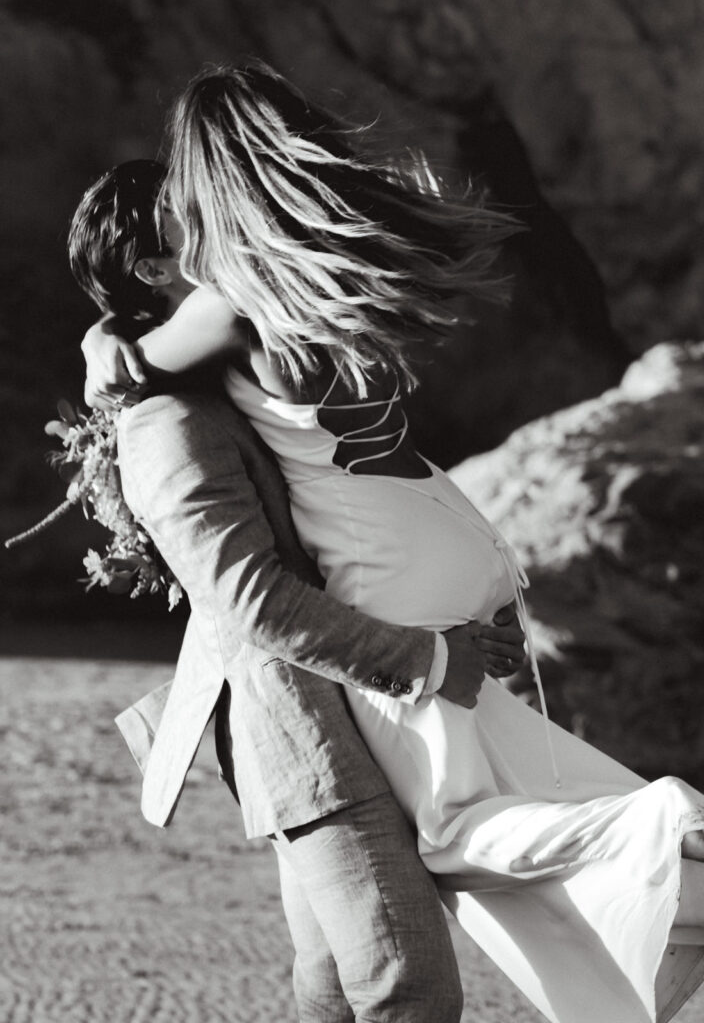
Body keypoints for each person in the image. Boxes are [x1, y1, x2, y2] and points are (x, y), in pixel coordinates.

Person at [80, 66, 704, 1023]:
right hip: (422, 575)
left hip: (387, 601)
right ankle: (664, 846)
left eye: (183, 189)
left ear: (214, 185)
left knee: (455, 842)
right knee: (339, 967)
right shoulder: (327, 288)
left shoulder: (227, 309)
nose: (181, 214)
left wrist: (105, 344)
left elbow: (129, 370)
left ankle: (663, 818)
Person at [68, 157, 531, 1023]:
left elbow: (352, 513)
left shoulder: (237, 374)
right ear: (155, 266)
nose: (226, 221)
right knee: (408, 991)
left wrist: (455, 616)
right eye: (193, 212)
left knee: (330, 986)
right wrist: (433, 660)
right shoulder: (169, 425)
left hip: (363, 707)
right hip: (310, 734)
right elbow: (254, 604)